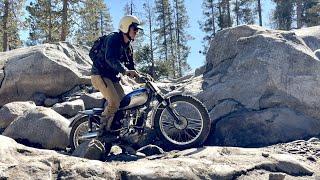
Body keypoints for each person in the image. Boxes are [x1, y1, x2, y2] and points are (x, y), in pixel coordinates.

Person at [90, 15, 143, 137]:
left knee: (124, 103)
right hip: (99, 75)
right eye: (134, 29)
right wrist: (125, 71)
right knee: (114, 102)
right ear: (126, 27)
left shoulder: (128, 46)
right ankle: (101, 131)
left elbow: (131, 67)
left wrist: (141, 76)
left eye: (137, 30)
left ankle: (115, 129)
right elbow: (110, 58)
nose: (136, 32)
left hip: (112, 78)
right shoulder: (113, 39)